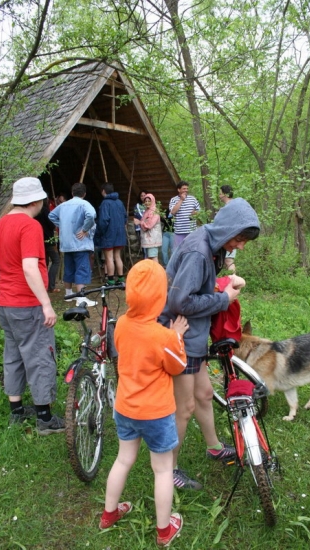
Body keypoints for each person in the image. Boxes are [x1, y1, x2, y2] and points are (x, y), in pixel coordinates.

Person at [159, 198, 260, 489]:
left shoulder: (210, 243)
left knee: (204, 394)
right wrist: (224, 299)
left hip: (194, 333)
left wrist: (223, 281)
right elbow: (180, 301)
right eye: (239, 238)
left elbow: (193, 285)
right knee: (184, 407)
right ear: (228, 228)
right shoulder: (198, 252)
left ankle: (214, 446)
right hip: (180, 335)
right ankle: (169, 470)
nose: (240, 246)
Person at [99, 260, 188, 547]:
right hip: (156, 414)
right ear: (160, 299)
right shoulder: (163, 337)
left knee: (123, 460)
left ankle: (109, 513)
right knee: (162, 470)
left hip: (125, 407)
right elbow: (177, 367)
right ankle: (165, 531)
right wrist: (177, 337)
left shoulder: (121, 324)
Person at [0, 177, 65, 435]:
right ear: (36, 201)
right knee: (39, 356)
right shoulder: (29, 226)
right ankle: (44, 419)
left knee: (13, 356)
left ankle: (17, 412)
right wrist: (46, 304)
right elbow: (29, 267)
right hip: (27, 303)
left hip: (6, 302)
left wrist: (6, 290)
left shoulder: (0, 224)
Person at [49, 182, 97, 307]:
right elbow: (91, 215)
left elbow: (51, 215)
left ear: (72, 193)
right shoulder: (84, 204)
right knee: (81, 268)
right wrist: (85, 229)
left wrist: (62, 226)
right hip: (80, 242)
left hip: (66, 243)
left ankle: (68, 294)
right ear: (84, 194)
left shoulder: (64, 205)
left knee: (69, 268)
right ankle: (81, 298)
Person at [96, 183, 127, 286]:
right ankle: (121, 279)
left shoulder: (105, 203)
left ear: (103, 191)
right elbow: (125, 217)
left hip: (108, 235)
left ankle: (110, 280)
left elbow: (103, 221)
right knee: (117, 256)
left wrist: (100, 233)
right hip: (120, 234)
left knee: (109, 258)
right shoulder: (120, 202)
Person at [35, 198, 61, 292]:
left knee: (44, 263)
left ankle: (43, 286)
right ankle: (51, 286)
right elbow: (51, 225)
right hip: (48, 239)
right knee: (56, 261)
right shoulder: (45, 211)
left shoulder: (34, 213)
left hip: (39, 240)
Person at [169, 181, 200, 249]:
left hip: (192, 231)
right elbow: (173, 212)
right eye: (184, 188)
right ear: (178, 190)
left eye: (187, 188)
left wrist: (195, 213)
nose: (186, 190)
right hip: (179, 231)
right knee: (178, 251)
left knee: (191, 250)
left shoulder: (193, 199)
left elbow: (199, 211)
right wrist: (181, 200)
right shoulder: (173, 200)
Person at [140, 193, 162, 263]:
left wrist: (140, 223)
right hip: (148, 239)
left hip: (153, 238)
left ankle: (157, 273)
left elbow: (149, 225)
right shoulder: (146, 211)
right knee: (150, 258)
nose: (147, 203)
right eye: (145, 201)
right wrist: (142, 223)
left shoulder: (155, 211)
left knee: (153, 257)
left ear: (152, 201)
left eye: (149, 201)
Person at [219, 185, 236, 272]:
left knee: (229, 260)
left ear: (225, 194)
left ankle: (234, 282)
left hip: (230, 236)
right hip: (229, 236)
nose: (219, 195)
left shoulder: (230, 206)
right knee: (227, 261)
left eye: (220, 193)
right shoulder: (233, 205)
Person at [133, 189, 148, 258]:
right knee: (143, 246)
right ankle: (145, 259)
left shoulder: (149, 205)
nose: (143, 197)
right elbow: (139, 216)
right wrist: (147, 220)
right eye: (141, 196)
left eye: (144, 195)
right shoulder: (138, 205)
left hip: (148, 227)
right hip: (140, 228)